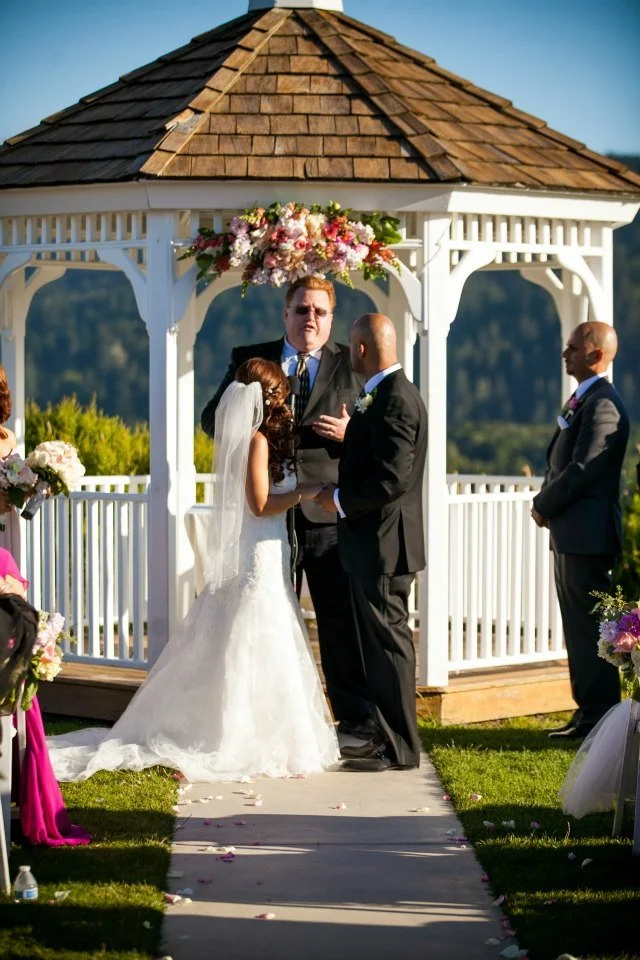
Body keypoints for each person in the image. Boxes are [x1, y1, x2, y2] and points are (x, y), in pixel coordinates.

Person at [48, 359, 339, 783]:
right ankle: (238, 736)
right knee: (256, 631)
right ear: (266, 399)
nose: (286, 401)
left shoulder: (262, 440)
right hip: (258, 549)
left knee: (261, 632)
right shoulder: (257, 441)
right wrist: (304, 493)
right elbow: (259, 505)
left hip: (268, 549)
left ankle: (266, 733)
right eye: (279, 394)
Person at [200, 277, 370, 738]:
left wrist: (352, 434)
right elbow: (211, 419)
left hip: (325, 514)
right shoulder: (250, 358)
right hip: (268, 516)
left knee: (338, 619)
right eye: (301, 309)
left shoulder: (351, 364)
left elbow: (383, 439)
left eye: (319, 311)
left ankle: (353, 719)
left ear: (331, 319)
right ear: (285, 313)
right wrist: (257, 438)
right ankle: (264, 719)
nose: (309, 318)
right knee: (266, 616)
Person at [317, 314, 428, 772]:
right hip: (375, 545)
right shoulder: (380, 394)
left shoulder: (396, 399)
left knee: (388, 649)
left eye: (351, 346)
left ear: (362, 349)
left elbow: (391, 480)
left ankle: (399, 747)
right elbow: (379, 457)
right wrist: (352, 439)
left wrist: (337, 500)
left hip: (384, 546)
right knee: (380, 648)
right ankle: (387, 739)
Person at [531, 321, 630, 740]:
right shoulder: (583, 398)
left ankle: (599, 718)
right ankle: (586, 711)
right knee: (577, 627)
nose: (564, 354)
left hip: (587, 536)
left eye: (572, 348)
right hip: (571, 533)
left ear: (595, 356)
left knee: (590, 628)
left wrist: (543, 503)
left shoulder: (604, 405)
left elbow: (584, 469)